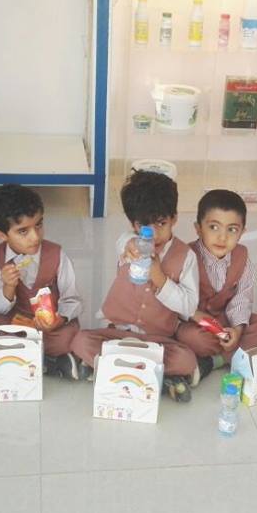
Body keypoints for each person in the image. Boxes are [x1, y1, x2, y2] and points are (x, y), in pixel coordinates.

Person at [70, 170, 199, 401]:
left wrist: (161, 279)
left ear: (174, 218)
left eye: (162, 223)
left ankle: (115, 371)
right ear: (133, 224)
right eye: (144, 226)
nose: (153, 234)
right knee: (80, 341)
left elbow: (189, 306)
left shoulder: (186, 256)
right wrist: (131, 242)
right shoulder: (129, 244)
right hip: (117, 334)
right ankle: (153, 377)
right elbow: (123, 242)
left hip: (157, 340)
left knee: (186, 360)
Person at [0, 184, 82, 379]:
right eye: (22, 231)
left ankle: (6, 350)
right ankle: (50, 358)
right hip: (14, 321)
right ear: (1, 234)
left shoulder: (57, 255)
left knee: (70, 337)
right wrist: (7, 288)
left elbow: (72, 299)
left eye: (39, 225)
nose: (35, 237)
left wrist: (58, 319)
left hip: (49, 327)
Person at [175, 189, 257, 381]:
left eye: (232, 229)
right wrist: (200, 321)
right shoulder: (186, 255)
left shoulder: (242, 256)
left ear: (242, 232)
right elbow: (179, 301)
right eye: (214, 227)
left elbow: (243, 297)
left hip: (227, 322)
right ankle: (231, 354)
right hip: (196, 324)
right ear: (198, 228)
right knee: (192, 339)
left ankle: (214, 361)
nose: (222, 237)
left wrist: (238, 330)